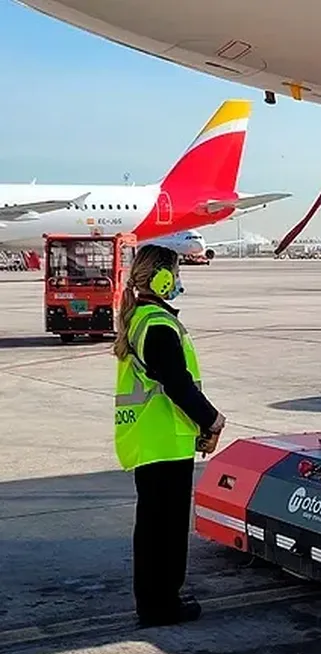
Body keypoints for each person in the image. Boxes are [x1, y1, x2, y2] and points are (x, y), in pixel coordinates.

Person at [112, 244, 226, 627]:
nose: (178, 281)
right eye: (176, 274)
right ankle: (162, 605)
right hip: (163, 442)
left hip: (151, 439)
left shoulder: (141, 319)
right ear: (161, 278)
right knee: (165, 531)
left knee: (153, 528)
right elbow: (177, 384)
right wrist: (212, 420)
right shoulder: (158, 325)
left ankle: (156, 600)